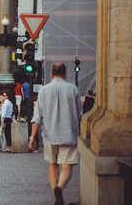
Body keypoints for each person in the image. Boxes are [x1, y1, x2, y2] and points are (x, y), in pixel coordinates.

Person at [29, 62, 83, 205]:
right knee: (67, 166)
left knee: (52, 164)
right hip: (69, 134)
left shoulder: (43, 90)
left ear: (52, 74)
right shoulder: (73, 89)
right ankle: (59, 189)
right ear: (65, 74)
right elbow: (80, 115)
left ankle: (56, 196)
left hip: (50, 135)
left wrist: (32, 137)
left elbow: (37, 117)